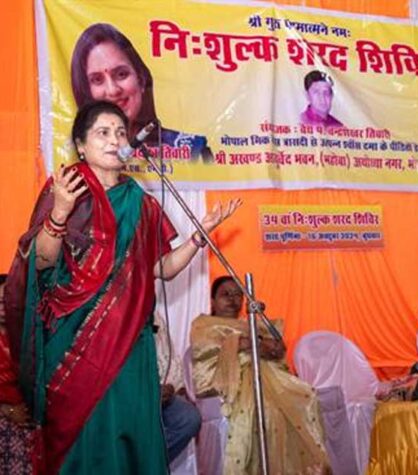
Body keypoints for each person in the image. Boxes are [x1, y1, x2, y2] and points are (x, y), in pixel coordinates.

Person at [1, 100, 240, 474]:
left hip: (131, 347)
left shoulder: (140, 202)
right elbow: (41, 262)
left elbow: (161, 268)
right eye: (103, 132)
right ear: (81, 145)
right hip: (74, 345)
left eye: (120, 133)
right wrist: (60, 212)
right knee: (83, 445)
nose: (115, 140)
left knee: (131, 442)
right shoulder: (65, 189)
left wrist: (199, 237)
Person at [190, 276, 329, 474]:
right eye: (225, 294)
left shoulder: (252, 325)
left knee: (306, 396)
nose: (232, 299)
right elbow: (207, 354)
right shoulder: (204, 326)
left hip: (267, 380)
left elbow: (277, 350)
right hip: (230, 384)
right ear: (212, 301)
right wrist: (246, 344)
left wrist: (256, 344)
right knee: (264, 409)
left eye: (238, 295)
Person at [71, 23, 213, 162]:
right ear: (85, 91)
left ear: (141, 79)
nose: (113, 90)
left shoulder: (193, 151)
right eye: (97, 80)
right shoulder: (75, 154)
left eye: (121, 74)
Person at [154, 311, 201, 463]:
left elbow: (170, 356)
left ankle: (150, 464)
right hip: (126, 391)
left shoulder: (154, 315)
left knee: (189, 418)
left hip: (159, 391)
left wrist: (171, 385)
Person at [0, 274, 34, 474]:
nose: (2, 307)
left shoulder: (29, 341)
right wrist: (8, 410)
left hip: (27, 432)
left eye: (6, 299)